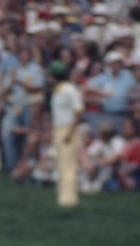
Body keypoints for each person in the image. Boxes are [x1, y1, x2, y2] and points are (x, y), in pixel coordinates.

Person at [49, 60, 84, 207]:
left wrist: (70, 132)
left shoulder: (70, 89)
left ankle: (68, 199)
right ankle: (62, 196)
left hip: (68, 129)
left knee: (69, 165)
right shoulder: (57, 90)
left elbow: (79, 111)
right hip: (58, 129)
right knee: (61, 164)